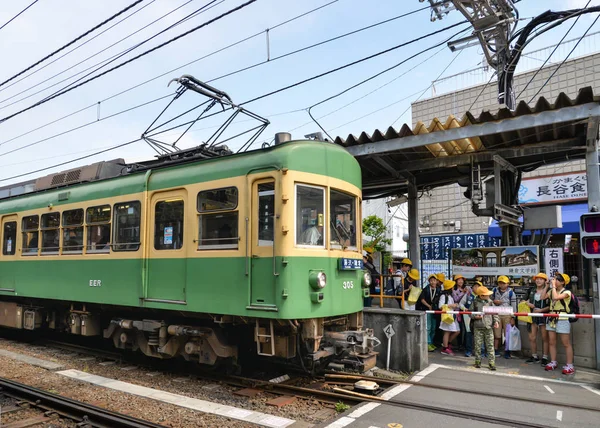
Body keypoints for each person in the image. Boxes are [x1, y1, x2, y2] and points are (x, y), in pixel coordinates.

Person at [542, 273, 575, 375]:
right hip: (551, 317)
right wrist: (547, 286)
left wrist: (553, 287)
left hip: (562, 318)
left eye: (557, 279)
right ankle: (553, 361)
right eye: (554, 279)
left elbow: (556, 297)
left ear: (563, 282)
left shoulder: (567, 292)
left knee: (566, 343)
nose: (554, 281)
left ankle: (570, 365)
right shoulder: (552, 290)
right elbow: (542, 297)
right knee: (552, 342)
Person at [523, 273, 550, 365]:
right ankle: (534, 356)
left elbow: (551, 306)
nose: (538, 281)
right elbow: (522, 300)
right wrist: (527, 303)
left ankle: (545, 357)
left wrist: (541, 310)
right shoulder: (531, 290)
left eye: (541, 279)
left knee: (545, 337)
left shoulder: (549, 290)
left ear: (545, 281)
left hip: (544, 316)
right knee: (532, 337)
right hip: (532, 316)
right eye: (537, 279)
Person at [472, 286, 500, 370]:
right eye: (486, 295)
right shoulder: (475, 302)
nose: (488, 296)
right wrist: (475, 316)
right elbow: (470, 313)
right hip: (478, 326)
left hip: (488, 327)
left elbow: (495, 313)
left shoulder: (490, 302)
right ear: (481, 295)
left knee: (490, 345)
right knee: (478, 345)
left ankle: (491, 363)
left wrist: (496, 321)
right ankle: (477, 361)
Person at [492, 275, 517, 358]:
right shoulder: (494, 290)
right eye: (500, 283)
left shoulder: (511, 293)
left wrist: (513, 317)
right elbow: (489, 301)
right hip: (497, 314)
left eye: (504, 283)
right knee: (497, 334)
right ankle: (495, 349)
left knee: (508, 334)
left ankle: (507, 351)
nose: (502, 285)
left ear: (507, 284)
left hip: (507, 315)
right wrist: (494, 301)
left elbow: (514, 305)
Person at [417, 273, 442, 352]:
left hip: (435, 310)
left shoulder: (438, 289)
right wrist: (428, 306)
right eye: (431, 281)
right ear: (429, 281)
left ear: (436, 281)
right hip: (427, 310)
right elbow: (422, 300)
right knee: (428, 326)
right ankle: (427, 343)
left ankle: (431, 342)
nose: (433, 282)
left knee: (434, 327)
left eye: (434, 280)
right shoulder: (426, 289)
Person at [459, 280, 480, 357]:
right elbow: (460, 304)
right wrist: (464, 308)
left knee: (479, 333)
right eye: (475, 286)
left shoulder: (482, 296)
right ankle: (469, 350)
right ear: (472, 287)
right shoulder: (468, 295)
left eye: (479, 286)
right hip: (468, 317)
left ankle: (479, 351)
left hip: (479, 317)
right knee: (469, 333)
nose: (477, 288)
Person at [439, 279, 460, 356]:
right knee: (447, 332)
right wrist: (451, 305)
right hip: (446, 316)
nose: (453, 288)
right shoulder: (443, 296)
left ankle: (447, 344)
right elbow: (440, 306)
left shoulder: (449, 296)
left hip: (451, 316)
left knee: (457, 331)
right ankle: (445, 347)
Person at [452, 275, 469, 352]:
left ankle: (465, 345)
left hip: (466, 311)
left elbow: (471, 296)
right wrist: (463, 293)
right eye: (458, 280)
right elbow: (456, 299)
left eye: (462, 280)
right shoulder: (454, 290)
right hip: (457, 312)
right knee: (459, 328)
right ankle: (459, 344)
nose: (460, 281)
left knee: (466, 328)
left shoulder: (467, 288)